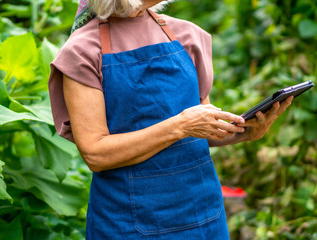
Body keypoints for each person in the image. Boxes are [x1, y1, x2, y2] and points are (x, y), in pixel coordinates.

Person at [48, 0, 293, 239]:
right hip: (126, 221)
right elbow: (96, 154)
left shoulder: (185, 35)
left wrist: (247, 132)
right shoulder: (82, 51)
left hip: (202, 213)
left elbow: (202, 130)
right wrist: (181, 126)